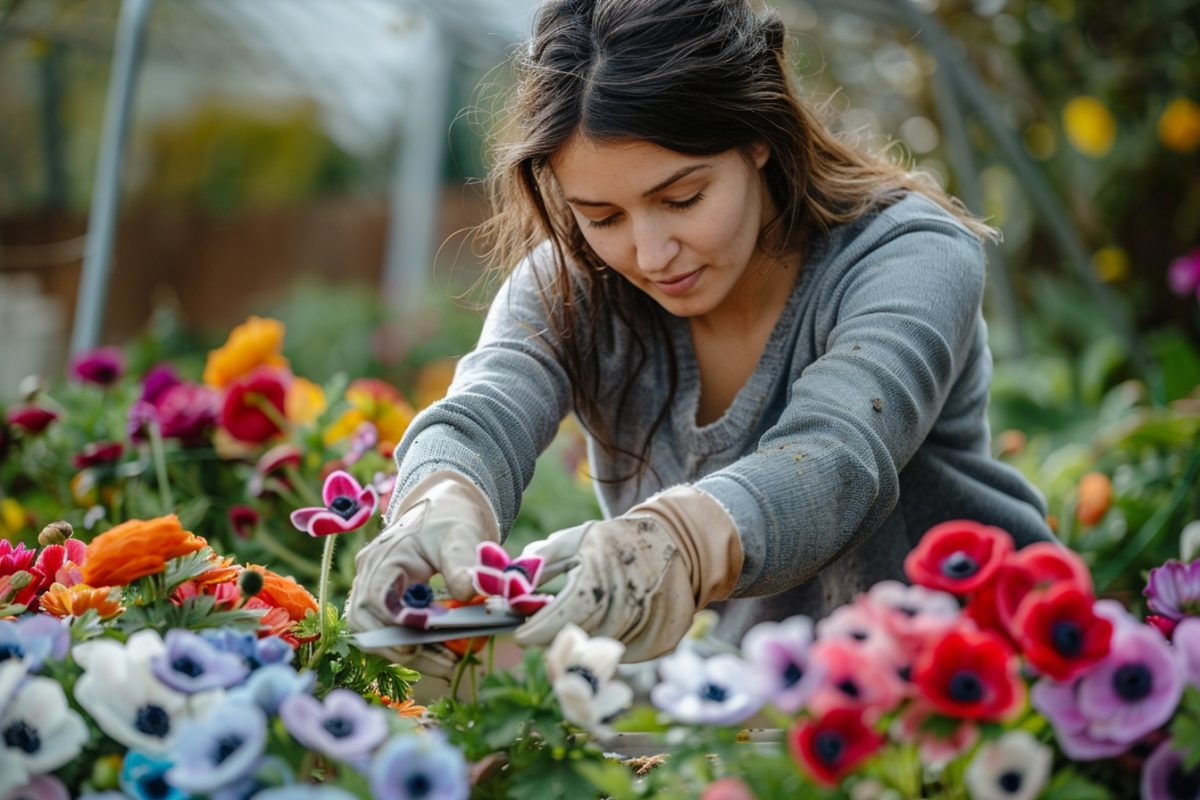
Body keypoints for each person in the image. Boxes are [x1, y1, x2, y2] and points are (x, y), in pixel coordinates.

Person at [345, 0, 1054, 679]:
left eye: (681, 199)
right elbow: (488, 405)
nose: (651, 254)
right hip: (759, 707)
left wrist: (682, 539)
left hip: (978, 689)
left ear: (757, 137)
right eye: (602, 215)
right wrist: (439, 502)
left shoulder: (910, 256)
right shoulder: (573, 283)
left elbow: (839, 457)